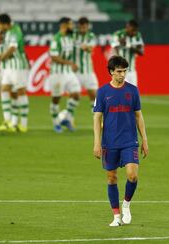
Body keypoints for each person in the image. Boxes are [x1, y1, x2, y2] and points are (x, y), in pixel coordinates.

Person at [93, 56, 148, 227]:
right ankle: (116, 216)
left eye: (124, 71)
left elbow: (139, 116)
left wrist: (144, 139)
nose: (122, 74)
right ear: (111, 72)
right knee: (112, 178)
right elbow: (97, 118)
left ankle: (126, 204)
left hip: (129, 141)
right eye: (119, 71)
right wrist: (96, 142)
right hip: (109, 142)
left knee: (132, 175)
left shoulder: (132, 91)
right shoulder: (102, 92)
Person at [0, 13, 29, 133]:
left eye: (0, 25)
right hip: (10, 66)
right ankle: (9, 121)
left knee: (21, 91)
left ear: (5, 24)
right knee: (5, 90)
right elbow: (0, 42)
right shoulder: (8, 31)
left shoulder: (15, 31)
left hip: (18, 66)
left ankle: (23, 124)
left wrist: (1, 58)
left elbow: (12, 49)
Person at [48, 17, 81, 133]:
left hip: (68, 72)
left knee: (76, 95)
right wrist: (70, 63)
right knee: (56, 99)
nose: (72, 27)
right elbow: (54, 57)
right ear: (64, 25)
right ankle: (56, 123)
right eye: (70, 25)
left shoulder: (70, 37)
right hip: (57, 73)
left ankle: (66, 117)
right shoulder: (56, 39)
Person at [73, 17, 98, 111]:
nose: (83, 29)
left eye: (85, 27)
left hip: (88, 71)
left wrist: (86, 47)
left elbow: (90, 48)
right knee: (74, 96)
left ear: (87, 26)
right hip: (75, 72)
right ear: (78, 26)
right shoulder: (72, 35)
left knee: (94, 96)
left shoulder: (91, 36)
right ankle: (67, 118)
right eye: (81, 27)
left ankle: (97, 121)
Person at [111, 20, 144, 86]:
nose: (134, 32)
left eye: (135, 30)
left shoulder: (137, 36)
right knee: (121, 92)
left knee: (133, 93)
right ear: (127, 27)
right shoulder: (118, 34)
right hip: (120, 70)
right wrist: (120, 42)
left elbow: (141, 52)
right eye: (132, 30)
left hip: (132, 70)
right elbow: (115, 47)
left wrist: (128, 45)